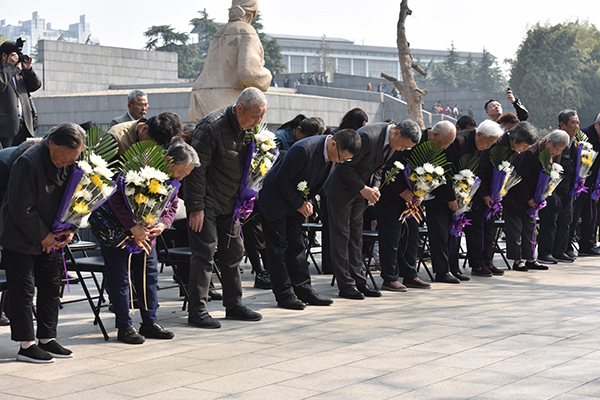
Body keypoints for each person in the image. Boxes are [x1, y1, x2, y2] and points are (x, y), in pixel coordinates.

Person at [0, 122, 85, 363]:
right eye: (62, 158)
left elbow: (79, 196)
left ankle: (47, 338)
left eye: (71, 159)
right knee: (23, 291)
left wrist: (71, 227)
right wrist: (43, 236)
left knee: (50, 286)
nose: (66, 163)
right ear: (50, 144)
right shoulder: (28, 162)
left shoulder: (74, 160)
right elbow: (20, 208)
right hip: (21, 235)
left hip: (53, 234)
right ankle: (26, 344)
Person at [101, 139, 199, 344]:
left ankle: (149, 321)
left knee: (149, 277)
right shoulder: (136, 167)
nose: (181, 177)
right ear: (169, 161)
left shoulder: (173, 178)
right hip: (120, 232)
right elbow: (114, 197)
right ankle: (124, 326)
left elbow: (172, 205)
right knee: (121, 279)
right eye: (181, 172)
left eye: (186, 175)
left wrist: (163, 224)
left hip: (148, 235)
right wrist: (132, 226)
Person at [185, 87, 266, 328]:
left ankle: (234, 304)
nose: (258, 121)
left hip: (231, 202)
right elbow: (196, 169)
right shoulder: (211, 126)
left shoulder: (248, 129)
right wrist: (196, 207)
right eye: (255, 115)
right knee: (204, 255)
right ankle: (197, 310)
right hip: (207, 202)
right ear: (239, 109)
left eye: (261, 116)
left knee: (234, 253)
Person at [258, 129, 361, 309]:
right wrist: (299, 203)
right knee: (278, 249)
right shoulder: (304, 149)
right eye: (341, 157)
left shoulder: (332, 156)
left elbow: (317, 184)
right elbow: (282, 179)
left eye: (346, 160)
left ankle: (304, 289)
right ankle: (284, 295)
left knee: (297, 246)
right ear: (333, 143)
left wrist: (309, 202)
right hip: (275, 202)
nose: (341, 161)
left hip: (295, 205)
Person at [323, 119, 421, 299]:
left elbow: (380, 168)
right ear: (397, 133)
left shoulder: (391, 141)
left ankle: (359, 281)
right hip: (342, 191)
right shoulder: (368, 136)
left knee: (356, 238)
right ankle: (346, 285)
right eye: (403, 146)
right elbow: (345, 164)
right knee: (342, 238)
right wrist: (363, 188)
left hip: (362, 193)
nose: (402, 150)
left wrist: (375, 187)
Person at [376, 121, 456, 291]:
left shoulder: (435, 149)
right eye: (445, 143)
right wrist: (402, 190)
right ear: (434, 135)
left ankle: (410, 274)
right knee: (391, 237)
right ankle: (389, 278)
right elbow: (388, 168)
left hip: (412, 201)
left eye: (449, 144)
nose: (445, 147)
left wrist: (421, 194)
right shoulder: (411, 138)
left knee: (412, 235)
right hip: (391, 197)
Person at [426, 120, 503, 284]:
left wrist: (464, 198)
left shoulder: (479, 146)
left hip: (459, 197)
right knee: (441, 234)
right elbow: (442, 171)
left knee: (455, 232)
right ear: (480, 134)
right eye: (489, 142)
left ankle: (453, 268)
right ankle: (441, 271)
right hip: (440, 195)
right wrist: (451, 199)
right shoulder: (458, 142)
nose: (489, 146)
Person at [464, 121, 538, 277]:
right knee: (477, 229)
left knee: (490, 230)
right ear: (515, 140)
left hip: (494, 196)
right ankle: (477, 264)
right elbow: (481, 169)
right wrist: (485, 194)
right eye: (523, 146)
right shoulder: (496, 144)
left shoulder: (512, 149)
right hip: (479, 195)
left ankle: (487, 262)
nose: (523, 150)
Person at [188, 0, 271, 122]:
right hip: (226, 100)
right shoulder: (247, 31)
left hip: (202, 96)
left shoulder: (221, 31)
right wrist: (267, 76)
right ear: (252, 12)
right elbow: (248, 72)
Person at [504, 130, 569, 271]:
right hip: (517, 198)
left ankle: (530, 259)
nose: (557, 152)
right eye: (556, 149)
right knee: (516, 230)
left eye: (560, 150)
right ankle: (517, 261)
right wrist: (528, 199)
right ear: (549, 142)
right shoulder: (530, 153)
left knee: (530, 229)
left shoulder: (549, 155)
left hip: (533, 200)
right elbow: (519, 179)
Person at [537, 110, 579, 264]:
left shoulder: (576, 143)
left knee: (565, 220)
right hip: (552, 189)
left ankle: (559, 250)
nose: (576, 126)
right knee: (550, 221)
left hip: (568, 189)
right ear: (562, 124)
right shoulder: (552, 140)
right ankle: (545, 252)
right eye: (572, 122)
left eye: (577, 122)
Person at [0, 40, 42, 149]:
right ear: (4, 56)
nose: (17, 58)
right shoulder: (5, 72)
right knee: (6, 161)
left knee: (22, 161)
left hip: (24, 127)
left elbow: (35, 86)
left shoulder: (19, 72)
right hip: (6, 129)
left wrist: (28, 70)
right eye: (14, 55)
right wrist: (9, 67)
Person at [569, 112, 600, 256]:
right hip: (579, 183)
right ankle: (567, 244)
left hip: (594, 184)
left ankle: (587, 245)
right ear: (596, 124)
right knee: (574, 216)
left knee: (591, 215)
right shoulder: (584, 135)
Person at [108, 112, 182, 155]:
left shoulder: (160, 136)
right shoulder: (116, 136)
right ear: (144, 129)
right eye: (149, 144)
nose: (151, 148)